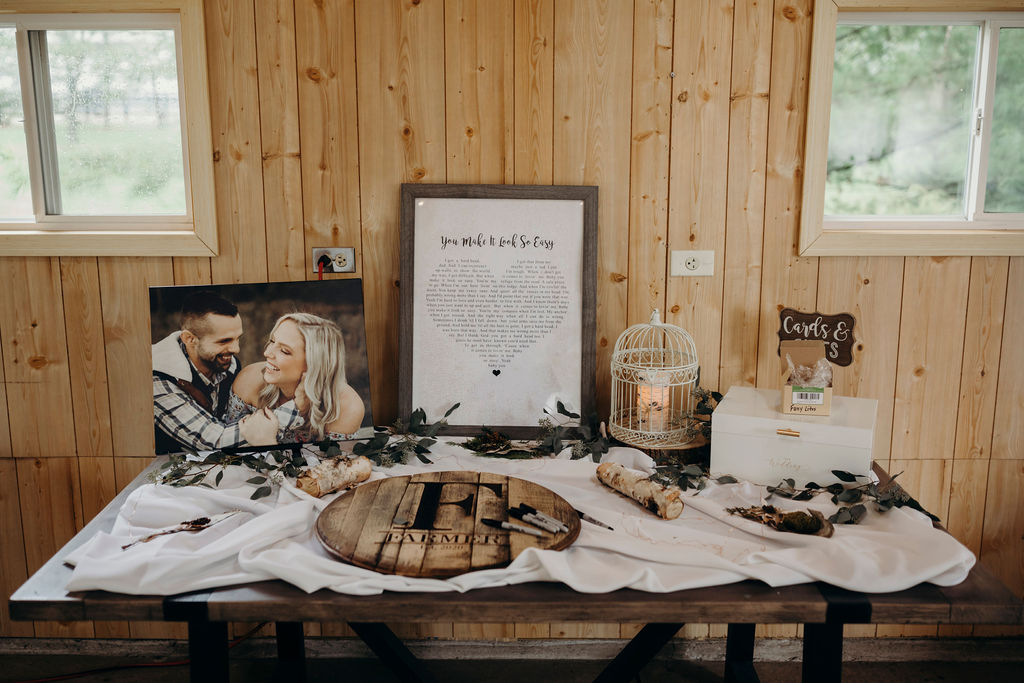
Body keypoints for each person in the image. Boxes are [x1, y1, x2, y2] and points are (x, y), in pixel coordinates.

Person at [152, 291, 303, 453]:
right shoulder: (158, 380)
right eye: (224, 341)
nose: (236, 349)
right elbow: (215, 441)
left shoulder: (227, 364)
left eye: (237, 338)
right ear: (189, 339)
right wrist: (297, 406)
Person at [227, 312, 365, 443]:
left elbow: (329, 466)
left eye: (284, 351)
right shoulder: (249, 380)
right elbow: (224, 446)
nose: (267, 352)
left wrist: (268, 442)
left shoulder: (346, 406)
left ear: (314, 364)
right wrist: (294, 408)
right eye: (272, 341)